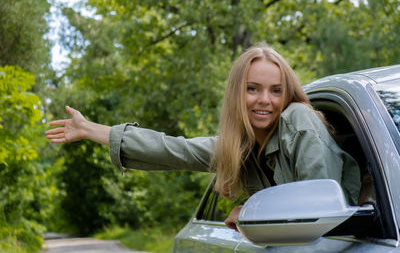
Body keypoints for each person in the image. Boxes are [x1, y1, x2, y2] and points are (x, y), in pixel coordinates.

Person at [45, 43, 361, 232]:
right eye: (253, 89)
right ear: (238, 93)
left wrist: (256, 212)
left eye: (276, 90)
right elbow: (173, 149)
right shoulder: (241, 148)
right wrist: (91, 130)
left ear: (287, 93)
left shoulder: (299, 119)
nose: (265, 99)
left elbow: (323, 208)